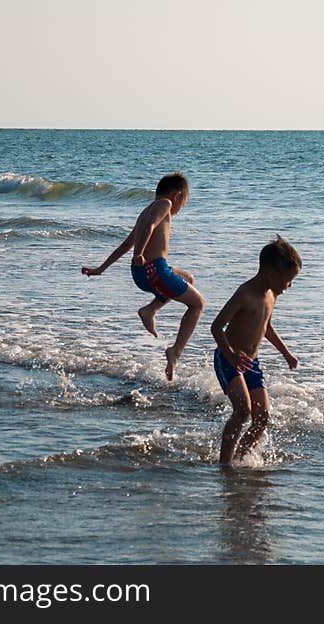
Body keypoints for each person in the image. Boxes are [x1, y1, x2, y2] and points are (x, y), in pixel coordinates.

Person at [82, 172, 205, 380]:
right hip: (155, 270)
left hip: (140, 272)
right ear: (177, 196)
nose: (180, 208)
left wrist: (101, 269)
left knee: (188, 278)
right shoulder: (165, 204)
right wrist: (139, 253)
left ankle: (150, 310)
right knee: (198, 304)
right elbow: (149, 228)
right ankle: (175, 352)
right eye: (183, 202)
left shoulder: (145, 211)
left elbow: (125, 244)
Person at [210, 236, 301, 464]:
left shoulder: (272, 295)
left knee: (263, 417)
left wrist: (286, 353)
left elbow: (266, 326)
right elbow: (216, 327)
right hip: (228, 359)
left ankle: (242, 459)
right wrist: (230, 355)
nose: (289, 287)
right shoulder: (245, 294)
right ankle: (225, 464)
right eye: (288, 281)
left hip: (251, 363)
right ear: (272, 275)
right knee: (242, 411)